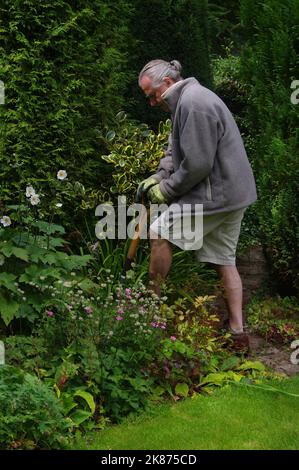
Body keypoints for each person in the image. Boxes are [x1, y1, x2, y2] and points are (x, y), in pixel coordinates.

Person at [136, 59, 257, 348]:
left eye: (152, 95)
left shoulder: (194, 104)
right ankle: (238, 334)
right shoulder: (186, 102)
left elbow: (198, 165)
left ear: (166, 84)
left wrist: (165, 190)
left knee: (158, 232)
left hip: (216, 195)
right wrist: (158, 176)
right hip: (232, 195)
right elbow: (173, 148)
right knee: (224, 260)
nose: (152, 103)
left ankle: (150, 316)